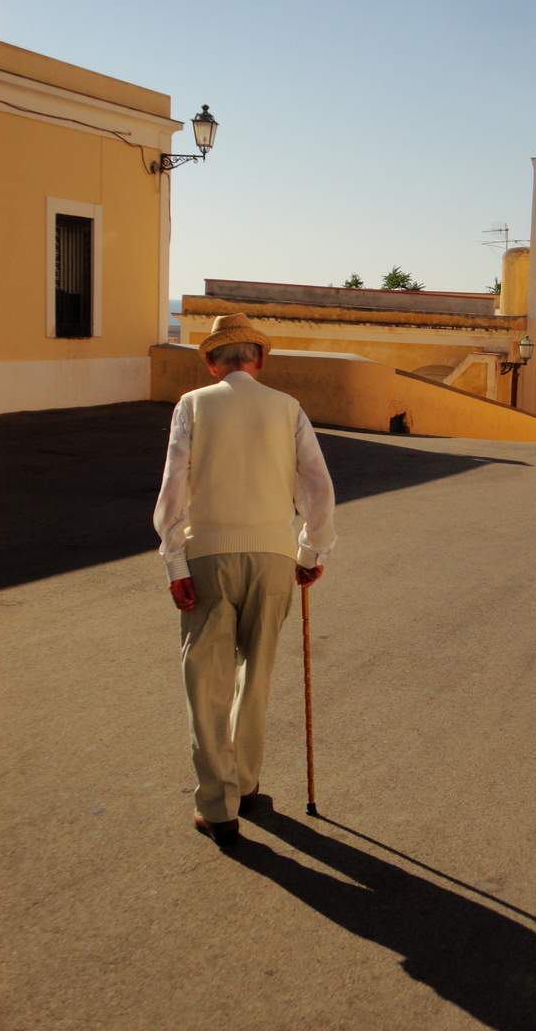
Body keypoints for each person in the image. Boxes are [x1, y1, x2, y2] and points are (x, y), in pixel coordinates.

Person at [154, 313, 336, 847]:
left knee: (205, 682)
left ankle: (218, 805)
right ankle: (247, 783)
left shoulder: (193, 405)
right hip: (273, 555)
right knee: (254, 675)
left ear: (213, 363)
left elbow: (174, 487)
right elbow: (318, 487)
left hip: (208, 553)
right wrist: (309, 551)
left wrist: (175, 562)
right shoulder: (288, 409)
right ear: (258, 359)